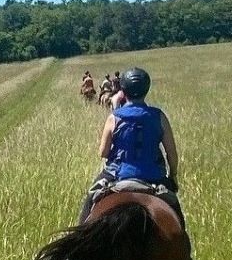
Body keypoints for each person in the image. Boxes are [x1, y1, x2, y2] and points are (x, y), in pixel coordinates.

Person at [78, 68, 187, 232]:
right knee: (176, 212)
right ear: (146, 89)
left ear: (124, 90)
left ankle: (80, 245)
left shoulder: (114, 117)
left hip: (118, 173)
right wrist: (173, 175)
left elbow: (103, 153)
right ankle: (185, 256)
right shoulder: (159, 116)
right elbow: (171, 153)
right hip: (154, 176)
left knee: (91, 199)